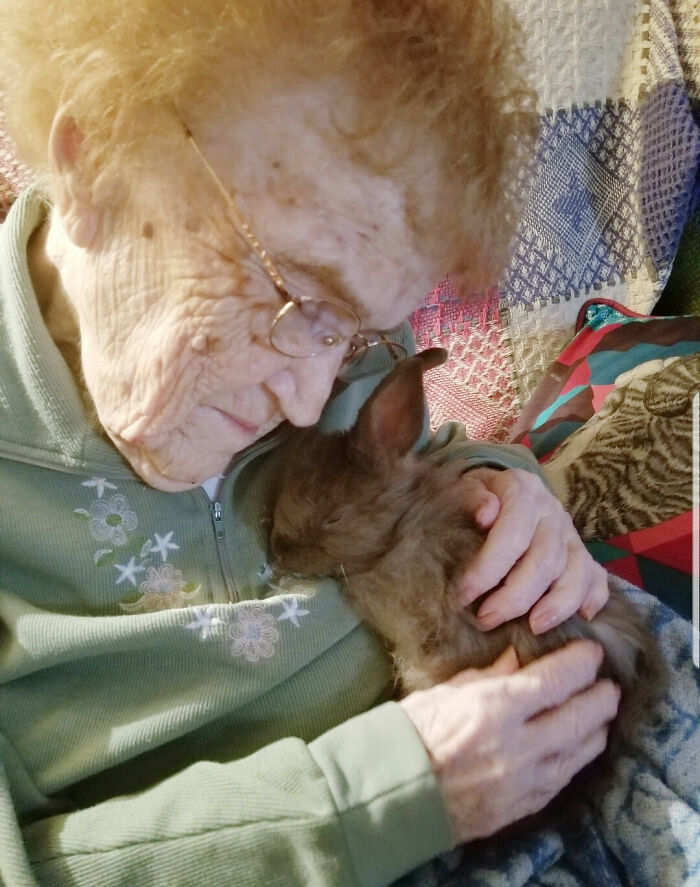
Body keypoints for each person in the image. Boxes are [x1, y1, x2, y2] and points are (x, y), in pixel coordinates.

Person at [0, 2, 619, 885]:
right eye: (296, 298)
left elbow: (414, 455)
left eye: (354, 333)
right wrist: (369, 800)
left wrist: (505, 496)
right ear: (95, 159)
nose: (305, 402)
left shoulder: (329, 366)